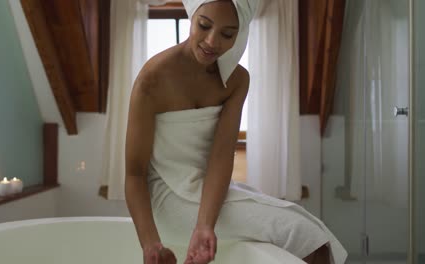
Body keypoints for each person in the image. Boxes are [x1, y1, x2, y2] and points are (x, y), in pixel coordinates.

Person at [124, 1, 347, 264]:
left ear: (240, 33)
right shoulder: (152, 79)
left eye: (227, 34)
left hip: (207, 192)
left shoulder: (237, 80)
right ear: (191, 17)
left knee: (311, 231)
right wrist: (151, 245)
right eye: (204, 25)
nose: (211, 41)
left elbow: (221, 156)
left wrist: (204, 226)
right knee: (306, 235)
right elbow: (134, 174)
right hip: (166, 198)